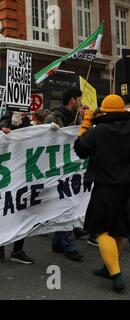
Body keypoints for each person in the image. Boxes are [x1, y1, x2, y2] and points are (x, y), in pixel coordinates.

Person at [74, 94, 130, 293]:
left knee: (102, 230)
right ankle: (108, 268)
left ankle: (115, 274)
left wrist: (87, 121)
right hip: (126, 188)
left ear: (104, 111)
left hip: (105, 187)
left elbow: (80, 148)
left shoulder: (99, 131)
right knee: (118, 228)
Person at [44, 88, 84, 262]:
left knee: (67, 203)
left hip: (71, 167)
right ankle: (68, 245)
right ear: (73, 100)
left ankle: (59, 241)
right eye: (80, 100)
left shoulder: (78, 118)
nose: (81, 104)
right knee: (66, 203)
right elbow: (40, 141)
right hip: (56, 168)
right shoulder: (53, 117)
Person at [0, 111, 35, 265]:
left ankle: (17, 250)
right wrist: (7, 126)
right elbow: (1, 126)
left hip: (23, 173)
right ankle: (1, 242)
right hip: (8, 173)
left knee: (23, 212)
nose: (25, 111)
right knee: (7, 211)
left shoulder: (27, 122)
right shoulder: (8, 118)